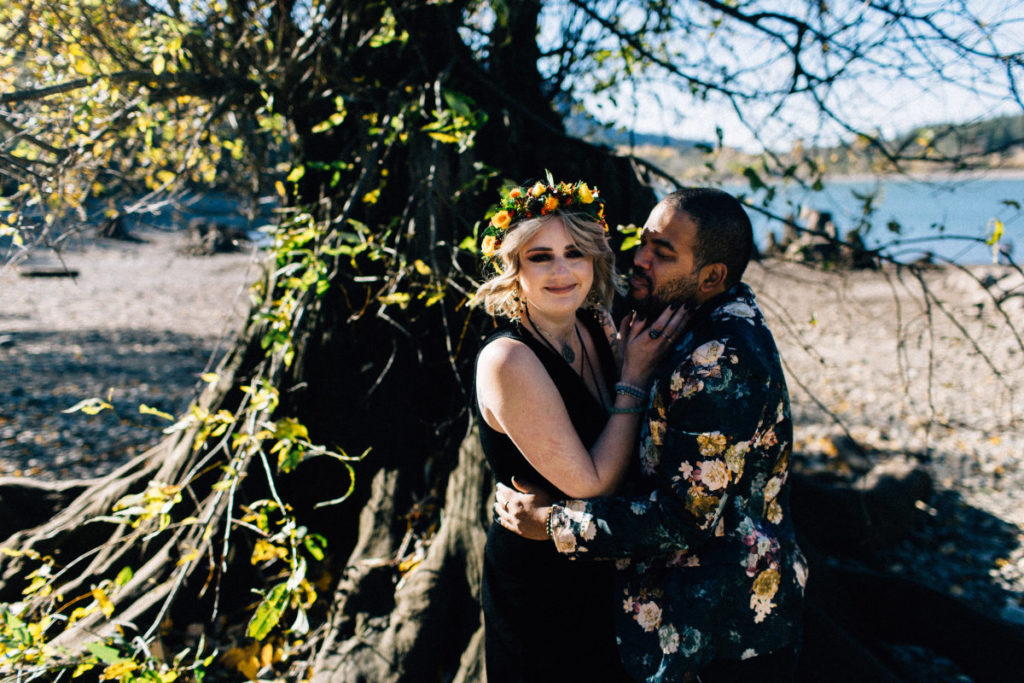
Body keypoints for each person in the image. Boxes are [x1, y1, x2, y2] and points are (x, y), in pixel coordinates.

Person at [495, 187, 808, 682]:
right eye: (643, 242)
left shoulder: (718, 361)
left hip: (721, 633)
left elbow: (682, 520)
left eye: (662, 254)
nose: (639, 259)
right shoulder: (675, 322)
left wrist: (554, 524)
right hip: (666, 620)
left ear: (711, 277)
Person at [472, 178, 688, 682]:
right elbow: (592, 484)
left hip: (600, 565)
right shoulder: (508, 359)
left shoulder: (596, 326)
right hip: (540, 585)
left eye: (575, 252)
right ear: (514, 269)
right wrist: (633, 378)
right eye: (540, 257)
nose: (563, 271)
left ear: (596, 259)